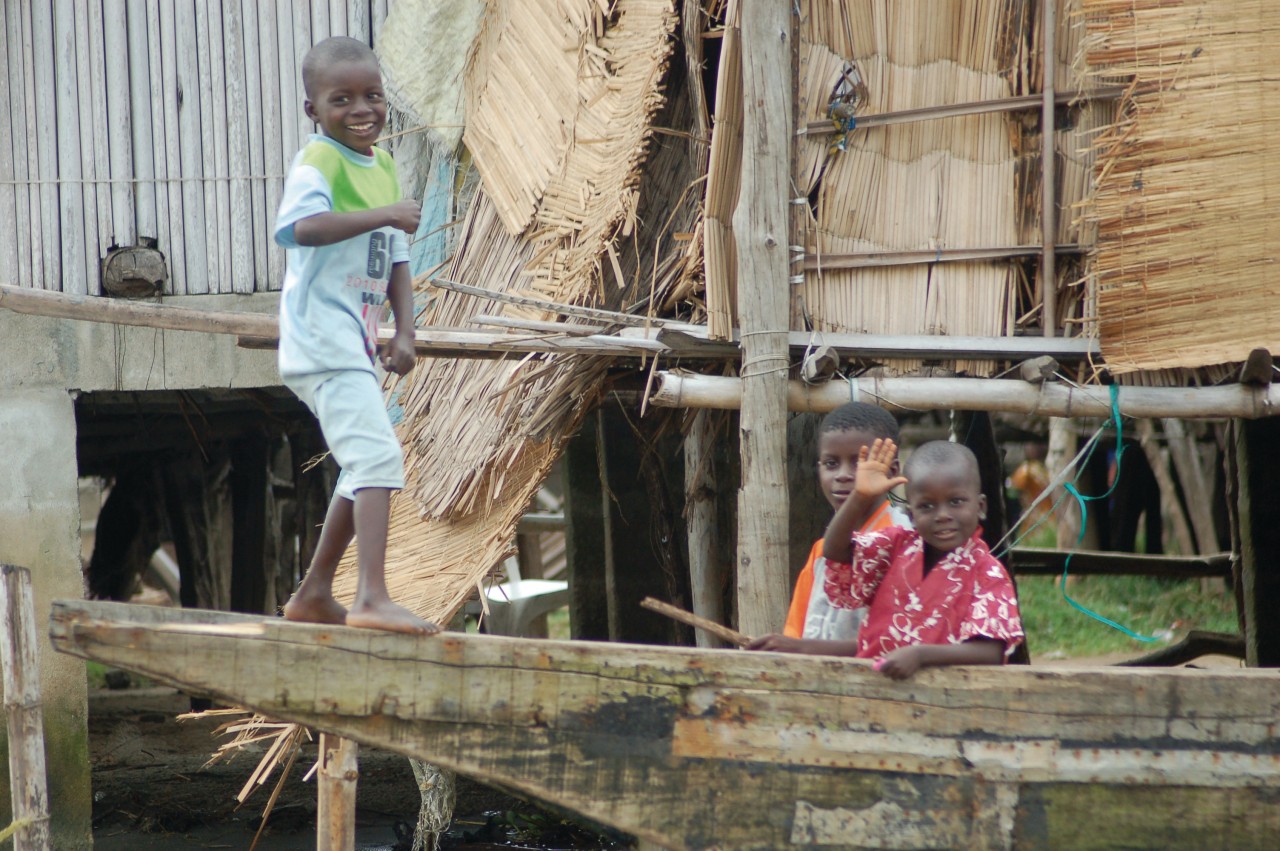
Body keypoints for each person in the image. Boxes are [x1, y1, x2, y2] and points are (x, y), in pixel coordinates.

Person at [274, 36, 438, 636]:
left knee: (359, 465)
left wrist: (405, 332)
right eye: (341, 99)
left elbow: (395, 257)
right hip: (320, 337)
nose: (362, 109)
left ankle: (315, 593)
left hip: (357, 339)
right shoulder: (317, 162)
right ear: (313, 110)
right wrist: (385, 213)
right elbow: (299, 228)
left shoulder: (384, 165)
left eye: (372, 95)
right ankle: (370, 597)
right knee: (378, 457)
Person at [822, 439, 1023, 679]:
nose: (943, 515)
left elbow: (989, 652)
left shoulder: (987, 572)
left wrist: (919, 656)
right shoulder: (897, 546)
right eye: (927, 506)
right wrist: (859, 497)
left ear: (980, 507)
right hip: (873, 688)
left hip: (942, 699)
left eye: (956, 502)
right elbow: (835, 550)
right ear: (911, 514)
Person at [746, 402, 908, 656]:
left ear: (893, 469)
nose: (842, 475)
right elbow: (797, 632)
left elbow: (897, 644)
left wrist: (801, 648)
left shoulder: (904, 541)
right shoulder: (821, 551)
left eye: (858, 464)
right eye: (831, 464)